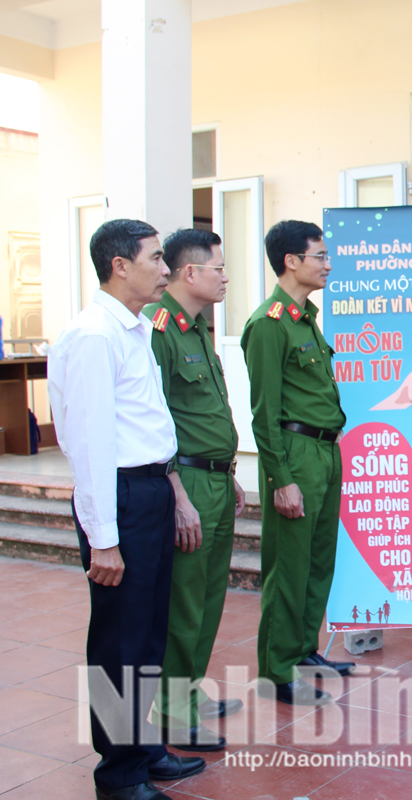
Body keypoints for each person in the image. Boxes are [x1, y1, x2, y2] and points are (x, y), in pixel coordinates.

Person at [48, 219, 206, 800]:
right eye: (156, 258)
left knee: (146, 635)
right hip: (119, 496)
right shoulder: (94, 335)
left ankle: (142, 749)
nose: (166, 269)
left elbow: (147, 426)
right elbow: (90, 444)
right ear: (120, 265)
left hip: (149, 490)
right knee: (120, 641)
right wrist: (104, 539)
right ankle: (119, 776)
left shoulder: (134, 328)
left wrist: (173, 493)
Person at [242, 220, 354, 706]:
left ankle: (305, 649)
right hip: (296, 454)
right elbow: (263, 414)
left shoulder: (304, 317)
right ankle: (276, 670)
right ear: (291, 261)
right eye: (320, 256)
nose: (327, 264)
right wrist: (280, 478)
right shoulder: (268, 324)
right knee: (287, 568)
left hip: (326, 451)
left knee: (318, 561)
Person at [145, 229, 247, 751]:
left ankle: (189, 691)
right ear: (190, 272)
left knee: (208, 596)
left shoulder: (198, 327)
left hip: (215, 477)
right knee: (184, 601)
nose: (226, 277)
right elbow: (154, 420)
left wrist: (228, 473)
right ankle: (171, 710)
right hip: (185, 482)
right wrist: (179, 493)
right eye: (218, 268)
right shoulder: (159, 329)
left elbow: (206, 412)